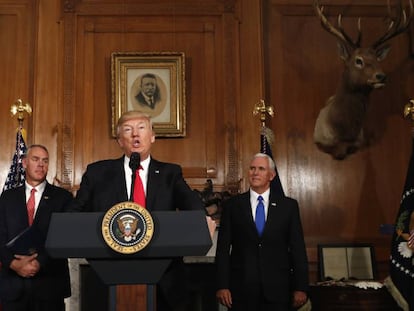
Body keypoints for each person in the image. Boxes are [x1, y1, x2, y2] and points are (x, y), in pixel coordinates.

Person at [68, 110, 212, 311]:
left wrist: (203, 219)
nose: (135, 134)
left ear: (152, 136)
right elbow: (75, 213)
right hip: (109, 274)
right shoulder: (98, 173)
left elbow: (190, 202)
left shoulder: (170, 173)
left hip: (164, 278)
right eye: (128, 130)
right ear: (120, 140)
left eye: (141, 128)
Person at [215, 153, 309, 311]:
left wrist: (301, 287)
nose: (255, 172)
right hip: (241, 289)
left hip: (278, 290)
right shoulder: (233, 206)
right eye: (252, 168)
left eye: (261, 169)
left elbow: (297, 248)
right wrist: (222, 285)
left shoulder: (288, 207)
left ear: (271, 175)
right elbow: (223, 249)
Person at [0, 144, 72, 311]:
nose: (41, 164)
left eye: (45, 161)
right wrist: (13, 264)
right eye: (35, 159)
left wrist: (39, 262)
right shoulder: (7, 198)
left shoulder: (63, 198)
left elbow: (62, 238)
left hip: (49, 286)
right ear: (24, 163)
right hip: (13, 287)